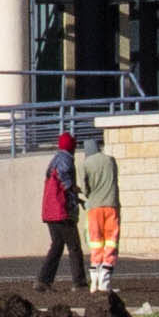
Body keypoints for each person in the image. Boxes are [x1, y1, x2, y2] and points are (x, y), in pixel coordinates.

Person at [34, 129, 87, 289]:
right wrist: (73, 188)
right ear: (71, 146)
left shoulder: (55, 159)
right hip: (62, 212)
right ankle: (79, 282)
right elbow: (64, 179)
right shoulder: (66, 159)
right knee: (74, 247)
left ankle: (43, 281)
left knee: (57, 246)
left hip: (50, 211)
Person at [73, 124, 120, 293]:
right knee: (111, 242)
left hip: (94, 208)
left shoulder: (84, 164)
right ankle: (105, 282)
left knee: (95, 243)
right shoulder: (110, 160)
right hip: (112, 205)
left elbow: (85, 190)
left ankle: (94, 283)